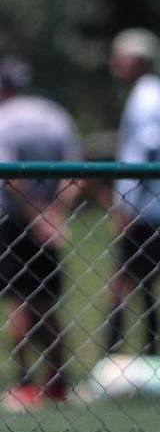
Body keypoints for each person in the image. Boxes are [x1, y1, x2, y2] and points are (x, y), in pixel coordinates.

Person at [0, 57, 81, 411]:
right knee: (48, 305)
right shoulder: (54, 114)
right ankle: (58, 381)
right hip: (50, 223)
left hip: (13, 221)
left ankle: (25, 383)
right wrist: (54, 213)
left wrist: (34, 215)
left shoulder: (4, 120)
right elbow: (75, 168)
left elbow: (9, 176)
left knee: (18, 302)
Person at [106, 29, 160, 356]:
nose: (115, 63)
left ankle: (114, 354)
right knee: (143, 284)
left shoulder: (148, 96)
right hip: (152, 206)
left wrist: (129, 205)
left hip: (144, 208)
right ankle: (148, 354)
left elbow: (149, 150)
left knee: (122, 283)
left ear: (137, 59)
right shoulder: (152, 93)